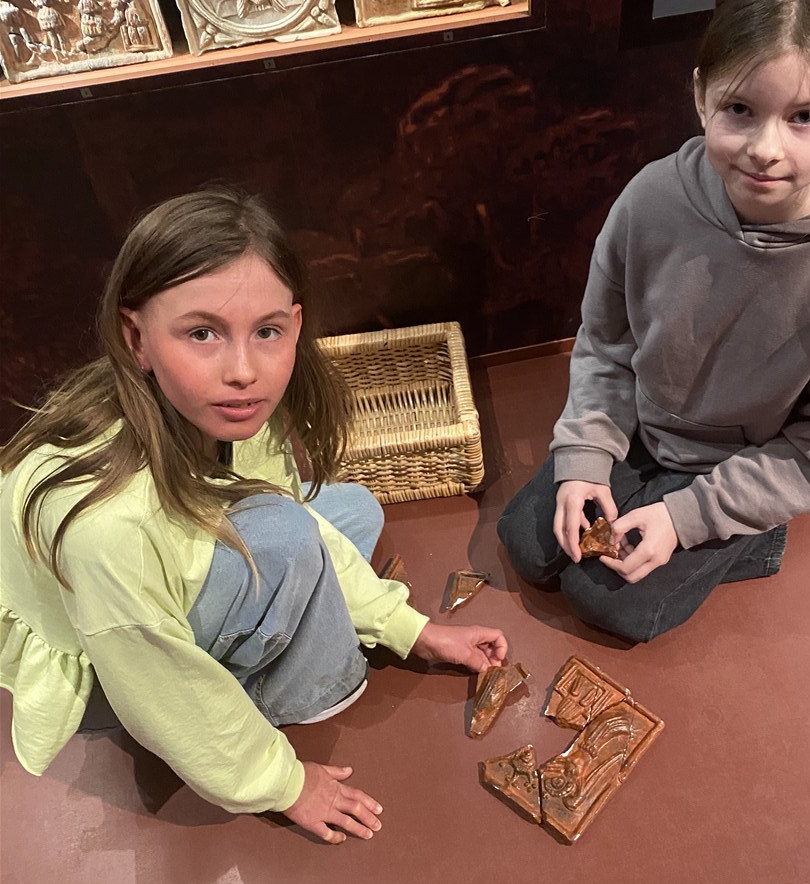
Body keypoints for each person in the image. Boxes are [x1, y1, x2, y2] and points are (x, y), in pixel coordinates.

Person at [0, 187, 507, 844]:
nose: (244, 372)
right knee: (294, 548)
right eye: (201, 333)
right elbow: (159, 687)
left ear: (294, 324)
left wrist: (411, 629)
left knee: (352, 509)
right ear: (136, 338)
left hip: (168, 549)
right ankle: (267, 695)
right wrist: (284, 782)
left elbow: (280, 504)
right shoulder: (107, 525)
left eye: (267, 332)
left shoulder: (220, 408)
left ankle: (279, 625)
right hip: (110, 653)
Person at [498, 0, 810, 644]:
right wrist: (585, 456)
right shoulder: (651, 198)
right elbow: (606, 343)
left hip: (738, 466)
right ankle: (661, 497)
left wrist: (688, 516)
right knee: (527, 541)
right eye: (740, 110)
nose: (765, 149)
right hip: (646, 424)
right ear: (702, 96)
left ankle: (757, 533)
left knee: (610, 603)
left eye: (805, 116)